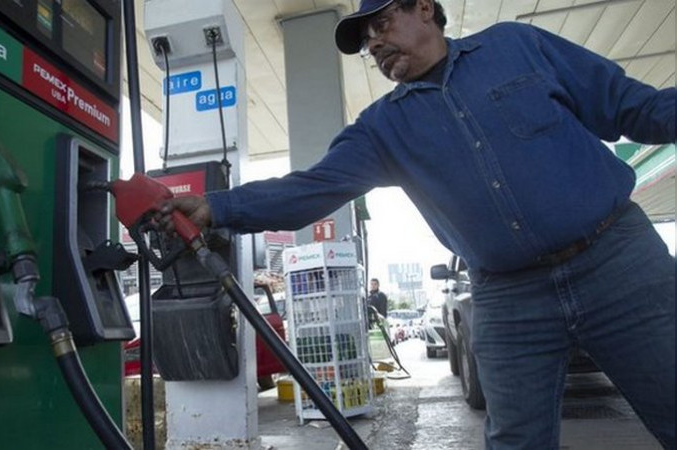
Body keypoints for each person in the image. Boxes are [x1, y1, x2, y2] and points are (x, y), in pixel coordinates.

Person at [157, 0, 675, 448]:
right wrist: (217, 208)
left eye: (380, 24)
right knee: (516, 441)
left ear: (424, 7)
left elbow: (632, 107)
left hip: (619, 263)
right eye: (365, 40)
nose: (374, 44)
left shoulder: (518, 47)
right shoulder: (383, 128)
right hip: (510, 297)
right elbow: (311, 187)